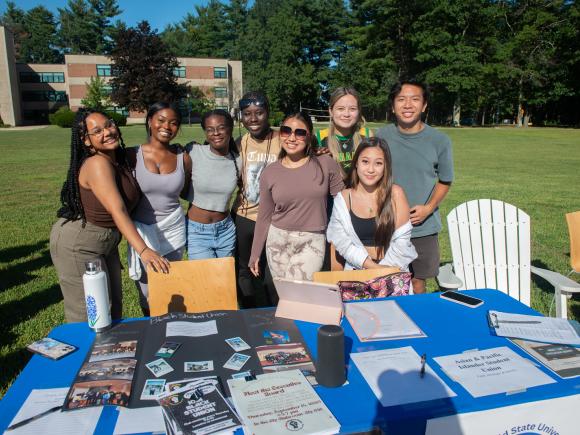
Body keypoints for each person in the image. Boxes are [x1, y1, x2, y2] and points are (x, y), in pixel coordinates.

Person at [49, 109, 169, 323]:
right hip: (79, 243)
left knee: (113, 310)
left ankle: (110, 355)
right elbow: (118, 210)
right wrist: (144, 251)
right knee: (90, 313)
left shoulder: (119, 159)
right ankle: (85, 354)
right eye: (97, 131)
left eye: (109, 125)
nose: (107, 132)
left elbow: (152, 151)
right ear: (86, 141)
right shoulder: (97, 164)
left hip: (107, 241)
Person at [375, 79, 454, 293]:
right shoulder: (381, 137)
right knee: (386, 279)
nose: (407, 105)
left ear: (424, 105)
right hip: (387, 224)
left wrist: (428, 208)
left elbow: (445, 180)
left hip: (423, 225)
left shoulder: (439, 140)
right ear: (392, 106)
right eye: (401, 99)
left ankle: (418, 322)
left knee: (419, 281)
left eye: (415, 99)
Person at [250, 112, 344, 288]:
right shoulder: (270, 172)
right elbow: (264, 216)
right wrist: (255, 253)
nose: (292, 138)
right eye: (286, 131)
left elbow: (344, 203)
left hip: (312, 240)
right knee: (285, 296)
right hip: (277, 241)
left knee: (301, 294)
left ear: (309, 136)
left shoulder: (325, 164)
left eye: (300, 133)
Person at [127, 102, 192, 316]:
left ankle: (172, 333)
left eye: (174, 123)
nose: (167, 126)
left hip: (173, 230)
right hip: (143, 232)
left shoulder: (183, 157)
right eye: (161, 120)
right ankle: (151, 331)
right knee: (147, 292)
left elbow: (187, 191)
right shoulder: (131, 155)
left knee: (170, 286)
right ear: (150, 121)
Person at [326, 137, 417, 271]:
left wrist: (384, 271)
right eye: (365, 162)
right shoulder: (343, 198)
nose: (371, 169)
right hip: (356, 272)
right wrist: (372, 268)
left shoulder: (396, 194)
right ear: (356, 163)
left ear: (385, 166)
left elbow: (402, 242)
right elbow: (342, 243)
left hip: (393, 271)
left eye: (378, 163)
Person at [232, 92, 281, 307]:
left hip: (275, 219)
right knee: (243, 270)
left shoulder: (282, 138)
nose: (253, 119)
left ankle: (274, 310)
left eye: (259, 113)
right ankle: (248, 312)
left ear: (268, 113)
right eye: (247, 114)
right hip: (244, 216)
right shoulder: (237, 143)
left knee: (272, 270)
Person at [186, 109, 241, 259]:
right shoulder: (193, 152)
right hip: (197, 232)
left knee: (225, 281)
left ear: (231, 128)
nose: (215, 133)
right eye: (210, 129)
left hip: (226, 230)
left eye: (221, 128)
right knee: (204, 280)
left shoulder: (238, 160)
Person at [316, 87, 372, 177]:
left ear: (359, 111)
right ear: (331, 111)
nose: (346, 114)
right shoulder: (319, 138)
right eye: (340, 109)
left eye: (352, 109)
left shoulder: (366, 135)